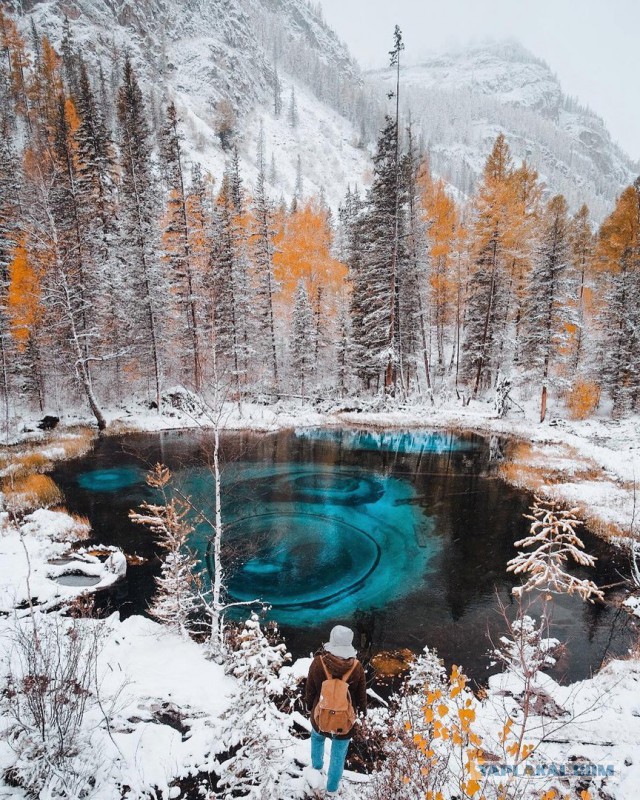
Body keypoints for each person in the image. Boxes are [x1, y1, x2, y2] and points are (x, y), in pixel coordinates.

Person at [305, 625, 367, 796]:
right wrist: (362, 713)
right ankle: (332, 789)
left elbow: (310, 689)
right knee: (338, 754)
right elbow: (361, 696)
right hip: (345, 720)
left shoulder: (319, 662)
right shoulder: (357, 667)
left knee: (317, 739)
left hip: (320, 715)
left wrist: (310, 706)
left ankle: (316, 769)